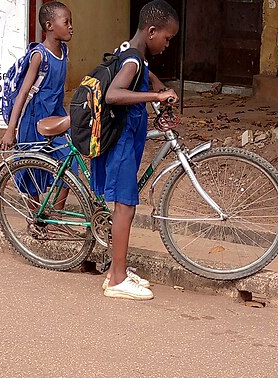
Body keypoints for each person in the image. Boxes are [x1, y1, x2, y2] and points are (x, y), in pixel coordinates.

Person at [91, 0, 179, 301]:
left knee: (124, 205)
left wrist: (160, 93)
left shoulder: (134, 53)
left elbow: (146, 75)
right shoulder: (132, 60)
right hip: (122, 142)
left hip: (129, 137)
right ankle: (116, 280)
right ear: (152, 31)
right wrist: (156, 94)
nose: (167, 45)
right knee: (125, 206)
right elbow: (115, 94)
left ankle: (118, 269)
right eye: (166, 38)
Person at [0, 1, 73, 213]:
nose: (71, 26)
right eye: (66, 22)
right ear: (50, 26)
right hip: (33, 119)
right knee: (31, 170)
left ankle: (55, 217)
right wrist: (10, 130)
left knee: (68, 164)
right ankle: (36, 219)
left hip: (55, 116)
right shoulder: (39, 55)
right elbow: (23, 93)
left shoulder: (64, 51)